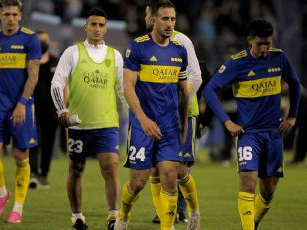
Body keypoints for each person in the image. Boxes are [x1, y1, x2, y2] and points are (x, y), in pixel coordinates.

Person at [203, 19, 301, 230]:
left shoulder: (279, 57)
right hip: (249, 133)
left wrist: (292, 116)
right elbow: (209, 90)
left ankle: (253, 222)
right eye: (260, 44)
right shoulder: (236, 63)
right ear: (250, 40)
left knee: (268, 191)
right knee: (248, 182)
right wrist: (227, 121)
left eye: (268, 42)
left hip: (274, 133)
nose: (265, 48)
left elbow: (295, 84)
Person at [114, 1, 190, 230]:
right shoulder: (137, 48)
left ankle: (167, 227)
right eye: (165, 19)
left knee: (169, 176)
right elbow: (128, 87)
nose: (170, 24)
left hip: (169, 126)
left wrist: (184, 125)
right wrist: (143, 119)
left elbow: (184, 93)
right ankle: (123, 215)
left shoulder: (180, 50)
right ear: (153, 20)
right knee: (138, 182)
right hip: (141, 125)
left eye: (173, 19)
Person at [50, 8, 124, 230]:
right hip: (79, 125)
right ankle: (77, 217)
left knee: (111, 167)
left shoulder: (115, 55)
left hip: (107, 124)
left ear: (106, 28)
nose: (97, 29)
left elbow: (123, 90)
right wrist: (61, 109)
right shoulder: (72, 52)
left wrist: (135, 115)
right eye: (93, 24)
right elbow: (57, 82)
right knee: (76, 170)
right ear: (86, 26)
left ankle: (113, 217)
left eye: (101, 25)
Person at [0, 0, 41, 224]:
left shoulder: (30, 39)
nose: (11, 18)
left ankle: (18, 208)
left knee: (20, 156)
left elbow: (34, 75)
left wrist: (23, 102)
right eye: (7, 14)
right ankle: (2, 194)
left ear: (20, 16)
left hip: (21, 106)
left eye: (15, 14)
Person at [144, 0, 201, 228]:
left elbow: (196, 77)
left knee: (179, 169)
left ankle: (192, 211)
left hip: (183, 113)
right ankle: (165, 215)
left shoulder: (181, 40)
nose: (148, 17)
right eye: (151, 14)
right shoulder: (145, 44)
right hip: (157, 116)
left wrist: (177, 101)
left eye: (169, 17)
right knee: (156, 168)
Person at [28, 31, 59, 189]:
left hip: (52, 111)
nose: (43, 43)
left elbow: (63, 85)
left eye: (46, 40)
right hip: (33, 109)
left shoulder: (55, 61)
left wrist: (62, 107)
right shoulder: (30, 61)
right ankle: (33, 173)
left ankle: (44, 174)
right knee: (33, 143)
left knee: (48, 144)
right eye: (40, 40)